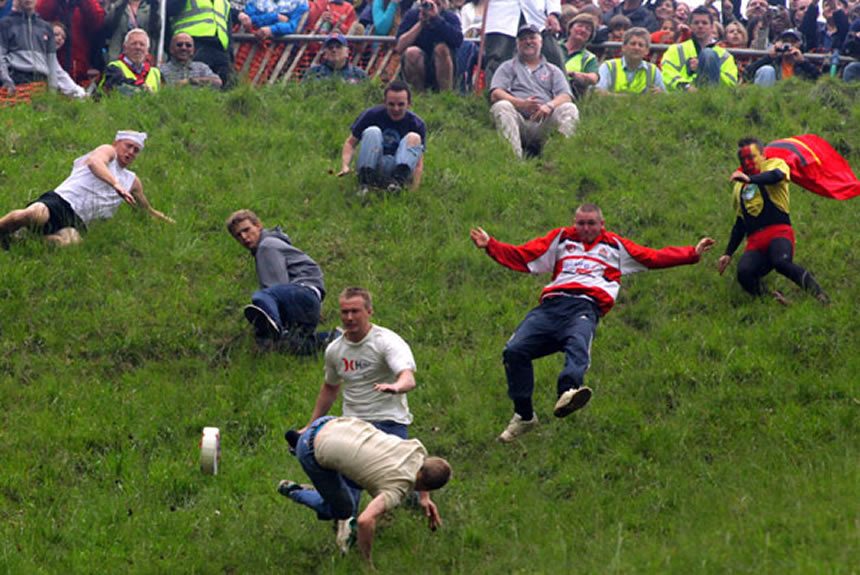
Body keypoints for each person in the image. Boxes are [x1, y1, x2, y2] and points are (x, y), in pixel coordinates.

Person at [469, 203, 714, 442]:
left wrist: (691, 253)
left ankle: (568, 391)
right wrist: (491, 246)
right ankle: (524, 416)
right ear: (574, 223)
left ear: (602, 224)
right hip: (551, 307)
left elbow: (653, 257)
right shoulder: (561, 239)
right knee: (514, 351)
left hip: (584, 308)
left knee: (578, 344)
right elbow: (524, 256)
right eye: (581, 223)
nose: (585, 228)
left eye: (591, 224)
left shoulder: (615, 246)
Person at [279, 416, 451, 566]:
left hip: (331, 423)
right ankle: (296, 491)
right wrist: (366, 562)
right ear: (425, 486)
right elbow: (364, 520)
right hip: (310, 451)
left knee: (362, 478)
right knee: (343, 510)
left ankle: (297, 442)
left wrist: (424, 499)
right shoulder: (398, 488)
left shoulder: (416, 449)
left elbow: (425, 469)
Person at [0, 131, 173, 249]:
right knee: (35, 215)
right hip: (61, 202)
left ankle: (22, 241)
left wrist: (171, 224)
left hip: (78, 221)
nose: (131, 152)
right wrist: (116, 185)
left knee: (69, 243)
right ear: (116, 144)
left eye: (136, 151)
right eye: (128, 146)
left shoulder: (132, 181)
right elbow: (94, 163)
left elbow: (146, 210)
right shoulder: (108, 152)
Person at [717, 137, 829, 304]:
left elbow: (776, 176)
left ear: (763, 155)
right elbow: (740, 223)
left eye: (751, 157)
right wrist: (728, 253)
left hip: (779, 233)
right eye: (743, 159)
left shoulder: (775, 165)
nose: (747, 162)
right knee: (744, 273)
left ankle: (821, 296)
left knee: (781, 262)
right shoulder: (738, 186)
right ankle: (773, 299)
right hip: (755, 242)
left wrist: (751, 179)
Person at [305, 286, 417, 439]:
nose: (349, 318)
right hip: (353, 425)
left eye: (355, 311)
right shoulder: (334, 349)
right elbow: (330, 389)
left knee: (390, 462)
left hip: (388, 421)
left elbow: (408, 378)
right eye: (345, 312)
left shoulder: (386, 341)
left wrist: (396, 387)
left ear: (369, 311)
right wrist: (310, 426)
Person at [226, 209, 333, 353]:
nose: (244, 237)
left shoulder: (266, 246)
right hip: (310, 303)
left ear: (258, 225)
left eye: (247, 230)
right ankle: (332, 339)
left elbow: (277, 286)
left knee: (261, 296)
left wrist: (267, 322)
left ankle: (271, 331)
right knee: (288, 345)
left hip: (303, 292)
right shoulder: (274, 244)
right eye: (238, 235)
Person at [489, 24, 578, 159]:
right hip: (518, 121)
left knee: (569, 108)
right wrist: (519, 103)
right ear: (517, 44)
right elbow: (495, 93)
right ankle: (512, 160)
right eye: (523, 39)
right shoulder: (507, 67)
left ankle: (558, 160)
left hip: (545, 122)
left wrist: (549, 106)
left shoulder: (553, 70)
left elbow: (566, 96)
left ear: (541, 42)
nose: (528, 41)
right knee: (501, 106)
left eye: (532, 38)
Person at [337, 80, 426, 194]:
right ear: (384, 102)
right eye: (391, 104)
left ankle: (396, 184)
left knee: (414, 137)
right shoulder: (371, 115)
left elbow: (418, 161)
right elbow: (350, 143)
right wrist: (345, 166)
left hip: (399, 166)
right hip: (375, 163)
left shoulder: (417, 123)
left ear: (409, 103)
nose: (396, 109)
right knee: (372, 131)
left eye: (401, 104)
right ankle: (365, 183)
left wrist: (414, 189)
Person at [0, 0, 85, 97]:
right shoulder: (5, 25)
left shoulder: (45, 28)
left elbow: (53, 64)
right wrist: (7, 81)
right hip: (16, 82)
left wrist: (54, 93)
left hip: (40, 85)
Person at [481, 0, 566, 90]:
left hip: (537, 15)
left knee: (553, 56)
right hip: (500, 17)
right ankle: (495, 96)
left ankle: (563, 96)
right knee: (497, 61)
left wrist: (553, 13)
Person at [661, 5, 738, 91]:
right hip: (682, 97)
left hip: (715, 99)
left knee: (708, 54)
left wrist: (705, 68)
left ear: (712, 27)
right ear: (690, 26)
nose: (700, 26)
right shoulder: (676, 50)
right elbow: (667, 73)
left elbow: (731, 83)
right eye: (696, 23)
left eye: (704, 23)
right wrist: (686, 87)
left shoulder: (725, 56)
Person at [395, 0, 463, 91]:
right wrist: (421, 23)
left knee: (441, 48)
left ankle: (445, 95)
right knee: (412, 52)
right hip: (416, 65)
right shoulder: (412, 15)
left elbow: (458, 40)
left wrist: (437, 20)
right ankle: (418, 96)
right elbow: (399, 47)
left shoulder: (450, 17)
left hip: (444, 67)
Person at [167, 0, 234, 88]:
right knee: (194, 86)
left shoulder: (223, 2)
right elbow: (170, 10)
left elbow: (227, 28)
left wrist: (230, 53)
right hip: (192, 44)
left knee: (228, 86)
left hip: (220, 48)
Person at [36, 0, 104, 86]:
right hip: (51, 73)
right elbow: (40, 15)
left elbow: (98, 21)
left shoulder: (82, 7)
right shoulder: (51, 7)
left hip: (80, 75)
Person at [595, 26, 666, 93]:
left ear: (647, 51)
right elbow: (598, 92)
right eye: (633, 44)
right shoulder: (608, 67)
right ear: (623, 47)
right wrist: (638, 99)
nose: (636, 48)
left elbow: (662, 97)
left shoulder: (654, 71)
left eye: (640, 45)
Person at [745, 28, 820, 86]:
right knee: (767, 70)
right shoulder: (773, 62)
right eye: (785, 41)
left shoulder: (805, 65)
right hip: (773, 98)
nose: (788, 45)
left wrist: (803, 63)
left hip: (796, 100)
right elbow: (747, 73)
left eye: (793, 41)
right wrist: (768, 58)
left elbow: (821, 79)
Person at [100, 28, 161, 94]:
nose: (138, 47)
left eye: (142, 44)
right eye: (134, 44)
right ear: (125, 48)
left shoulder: (156, 73)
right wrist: (140, 87)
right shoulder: (113, 68)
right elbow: (115, 84)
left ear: (147, 50)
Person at [303, 32, 369, 82]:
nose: (334, 50)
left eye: (338, 47)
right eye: (330, 47)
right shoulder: (313, 73)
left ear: (347, 52)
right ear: (325, 54)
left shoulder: (359, 75)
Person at [563, 13, 600, 98]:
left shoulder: (589, 57)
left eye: (588, 29)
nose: (583, 30)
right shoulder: (554, 47)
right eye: (580, 26)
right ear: (570, 28)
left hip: (570, 93)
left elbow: (594, 78)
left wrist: (574, 74)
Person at [236, 0, 308, 40]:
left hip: (281, 50)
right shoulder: (254, 1)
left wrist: (272, 29)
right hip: (251, 45)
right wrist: (275, 17)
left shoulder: (299, 3)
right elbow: (249, 19)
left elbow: (294, 26)